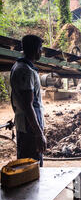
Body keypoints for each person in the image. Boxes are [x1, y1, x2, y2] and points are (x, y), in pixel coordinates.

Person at [10, 35, 46, 167]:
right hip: (30, 127)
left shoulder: (17, 66)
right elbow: (28, 105)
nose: (41, 51)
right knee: (33, 167)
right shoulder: (26, 71)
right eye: (40, 48)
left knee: (24, 164)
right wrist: (38, 133)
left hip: (23, 124)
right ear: (36, 49)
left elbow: (14, 98)